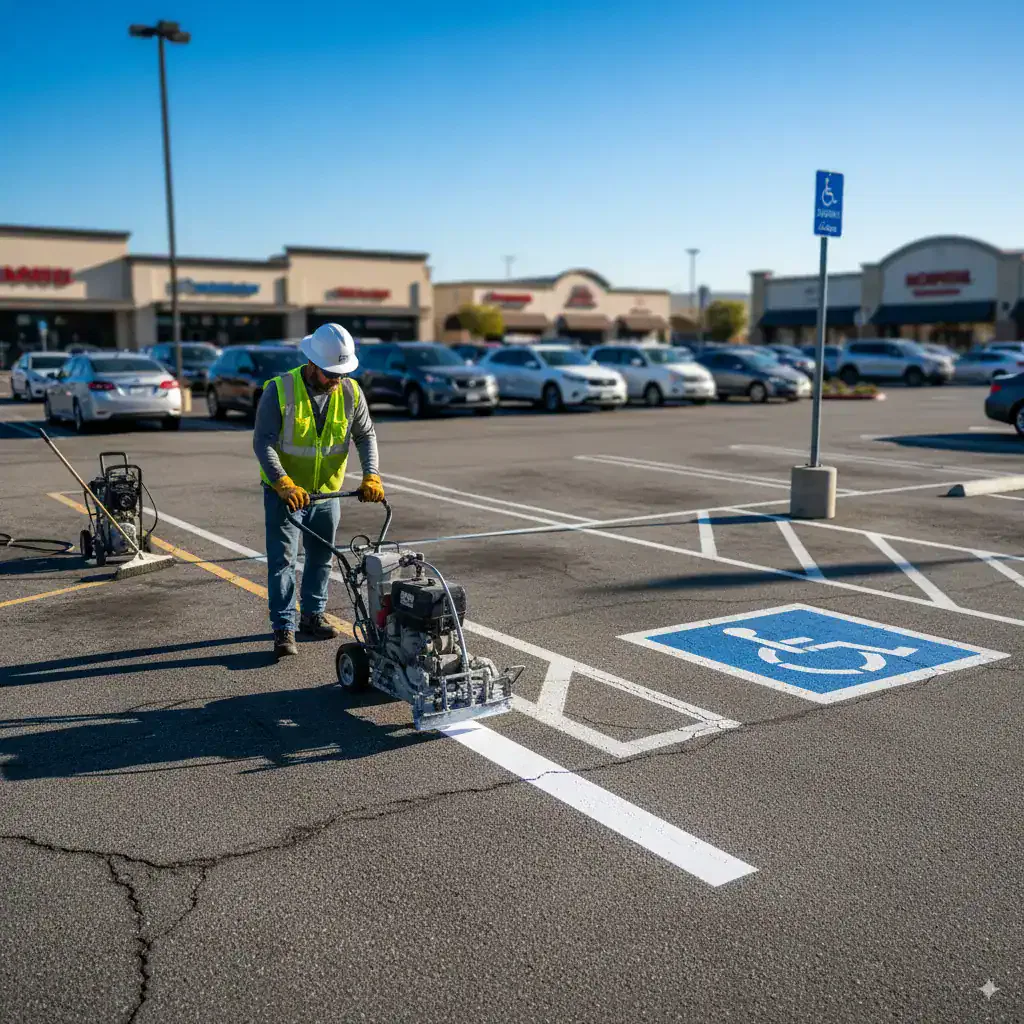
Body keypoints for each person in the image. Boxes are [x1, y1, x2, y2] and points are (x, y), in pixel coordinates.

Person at [253, 323, 385, 659]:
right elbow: (263, 442)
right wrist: (282, 483)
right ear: (311, 364)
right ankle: (284, 627)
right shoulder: (279, 390)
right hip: (285, 494)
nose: (336, 380)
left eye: (341, 373)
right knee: (283, 562)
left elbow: (365, 435)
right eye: (330, 374)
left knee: (322, 557)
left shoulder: (352, 392)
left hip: (326, 493)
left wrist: (371, 475)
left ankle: (312, 614)